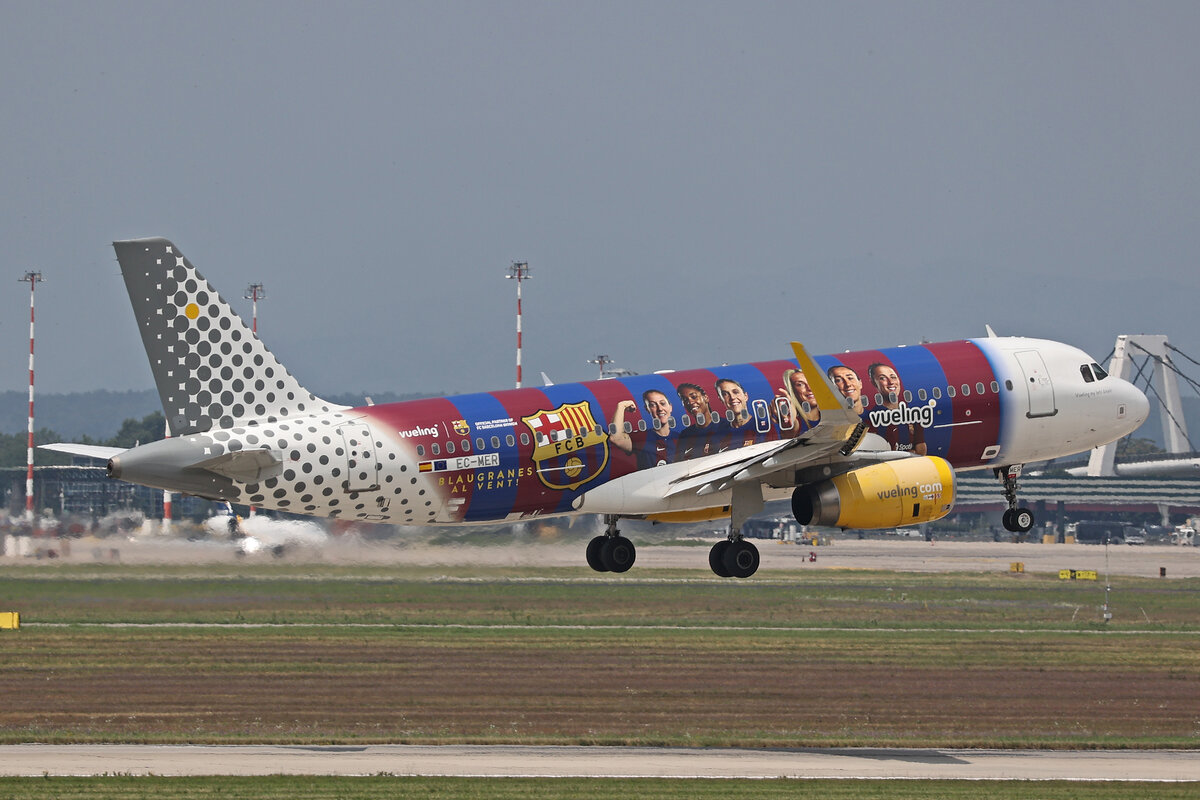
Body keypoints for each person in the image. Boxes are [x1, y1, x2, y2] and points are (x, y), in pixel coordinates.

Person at [609, 389, 680, 468]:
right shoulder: (643, 438)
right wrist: (621, 406)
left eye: (662, 403)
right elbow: (616, 438)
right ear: (647, 409)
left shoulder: (680, 438)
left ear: (670, 407)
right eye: (653, 405)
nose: (660, 408)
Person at [866, 362, 927, 455]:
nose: (891, 382)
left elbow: (921, 449)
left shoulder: (912, 413)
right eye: (882, 378)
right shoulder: (872, 417)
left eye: (893, 377)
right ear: (874, 383)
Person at [715, 378, 759, 449]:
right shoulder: (720, 433)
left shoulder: (762, 427)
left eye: (735, 392)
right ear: (721, 400)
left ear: (746, 396)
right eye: (725, 394)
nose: (732, 397)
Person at [675, 382, 716, 458]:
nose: (689, 402)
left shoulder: (726, 426)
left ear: (706, 398)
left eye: (694, 397)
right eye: (684, 399)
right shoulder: (685, 435)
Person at [778, 368, 820, 435]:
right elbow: (789, 433)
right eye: (800, 384)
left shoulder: (831, 417)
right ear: (793, 392)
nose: (809, 388)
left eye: (811, 382)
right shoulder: (798, 423)